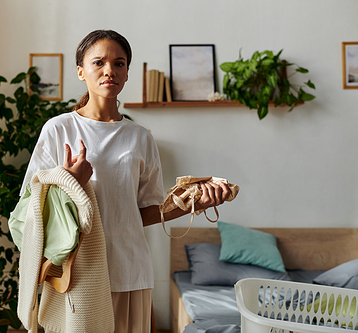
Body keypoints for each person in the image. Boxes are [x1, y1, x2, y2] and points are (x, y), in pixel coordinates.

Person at [20, 29, 231, 333]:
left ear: (127, 73)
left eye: (119, 63)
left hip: (130, 271)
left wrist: (194, 203)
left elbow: (146, 212)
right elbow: (29, 208)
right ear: (81, 71)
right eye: (99, 62)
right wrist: (68, 182)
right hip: (78, 273)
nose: (110, 70)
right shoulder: (58, 129)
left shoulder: (140, 137)